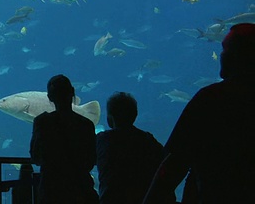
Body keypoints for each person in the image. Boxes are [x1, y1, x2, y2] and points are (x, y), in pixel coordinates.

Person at [143, 23, 255, 203]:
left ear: (239, 56)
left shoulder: (211, 99)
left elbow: (175, 162)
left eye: (225, 50)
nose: (221, 56)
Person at [30, 74, 98, 204]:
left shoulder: (42, 122)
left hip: (51, 190)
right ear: (72, 92)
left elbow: (35, 157)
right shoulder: (86, 124)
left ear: (49, 97)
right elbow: (91, 159)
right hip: (80, 189)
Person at [96, 92, 169, 204]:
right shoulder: (148, 140)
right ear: (135, 115)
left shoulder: (102, 140)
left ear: (110, 117)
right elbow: (164, 163)